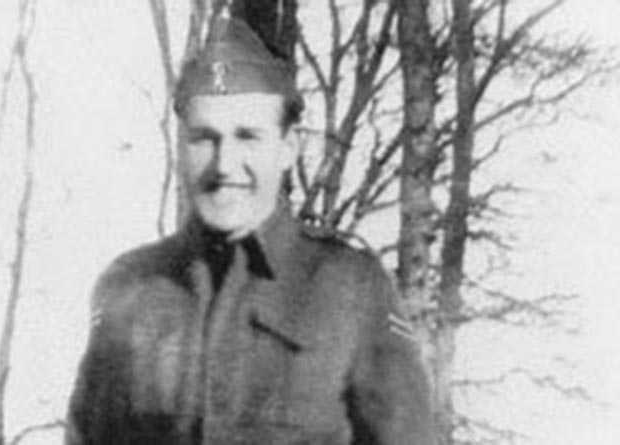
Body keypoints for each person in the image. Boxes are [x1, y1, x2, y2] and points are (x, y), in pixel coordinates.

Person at [65, 17, 435, 445]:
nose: (224, 165)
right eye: (205, 138)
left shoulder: (350, 288)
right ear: (182, 147)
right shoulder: (129, 289)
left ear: (287, 148)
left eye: (248, 137)